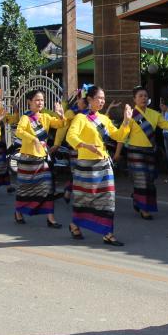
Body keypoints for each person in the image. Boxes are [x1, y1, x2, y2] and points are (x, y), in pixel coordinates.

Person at [65, 85, 132, 246]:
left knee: (108, 198)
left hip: (104, 165)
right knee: (85, 198)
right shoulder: (80, 118)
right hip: (86, 166)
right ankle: (75, 224)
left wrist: (126, 121)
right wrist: (85, 145)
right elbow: (70, 136)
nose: (102, 101)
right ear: (89, 100)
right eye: (98, 98)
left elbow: (118, 136)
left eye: (103, 98)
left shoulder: (104, 119)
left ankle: (107, 233)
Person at [120, 86, 168, 220]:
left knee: (149, 181)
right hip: (135, 152)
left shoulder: (154, 114)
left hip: (150, 152)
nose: (143, 98)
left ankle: (137, 199)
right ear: (134, 99)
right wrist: (117, 153)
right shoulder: (130, 115)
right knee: (141, 180)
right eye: (140, 96)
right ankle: (144, 210)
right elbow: (122, 134)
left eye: (145, 96)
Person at [14, 90, 65, 227]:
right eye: (37, 100)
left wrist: (61, 115)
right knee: (25, 189)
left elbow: (60, 125)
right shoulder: (25, 118)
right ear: (29, 102)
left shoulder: (46, 117)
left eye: (42, 100)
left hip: (42, 159)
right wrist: (34, 139)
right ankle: (18, 211)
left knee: (48, 188)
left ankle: (51, 218)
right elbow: (19, 131)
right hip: (27, 159)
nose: (40, 102)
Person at [52, 89, 89, 204]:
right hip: (75, 147)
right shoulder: (71, 113)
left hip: (89, 147)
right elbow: (61, 129)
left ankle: (71, 192)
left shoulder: (91, 113)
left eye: (86, 101)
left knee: (86, 171)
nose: (84, 103)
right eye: (82, 100)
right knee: (77, 171)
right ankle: (74, 194)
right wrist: (56, 144)